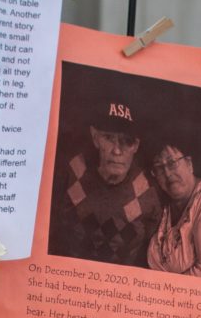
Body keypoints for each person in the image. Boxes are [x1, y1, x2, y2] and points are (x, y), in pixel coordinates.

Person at [47, 98, 160, 266]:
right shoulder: (72, 171)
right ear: (95, 138)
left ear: (136, 146)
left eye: (126, 141)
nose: (116, 150)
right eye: (108, 138)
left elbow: (152, 252)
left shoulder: (149, 191)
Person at [146, 141, 201, 279]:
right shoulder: (165, 204)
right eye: (159, 168)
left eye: (172, 163)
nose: (167, 173)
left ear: (189, 164)